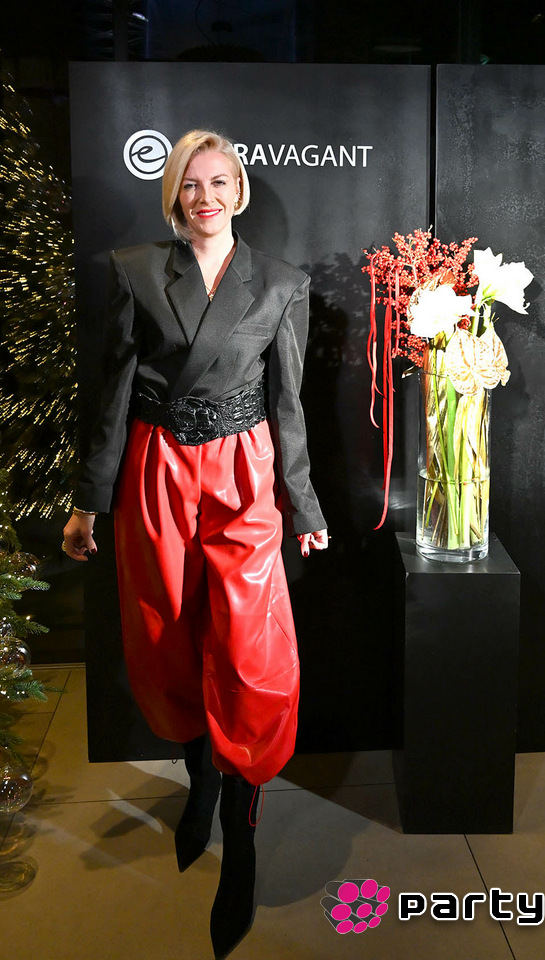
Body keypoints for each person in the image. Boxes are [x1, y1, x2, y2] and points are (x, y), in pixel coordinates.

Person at [62, 128, 328, 958]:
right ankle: (200, 780)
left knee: (252, 652)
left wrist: (305, 506)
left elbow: (288, 405)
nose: (204, 197)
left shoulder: (282, 282)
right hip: (156, 468)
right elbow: (110, 392)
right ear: (174, 194)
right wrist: (89, 500)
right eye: (189, 184)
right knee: (164, 633)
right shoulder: (135, 269)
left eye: (218, 182)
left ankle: (240, 846)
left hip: (245, 475)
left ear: (239, 192)